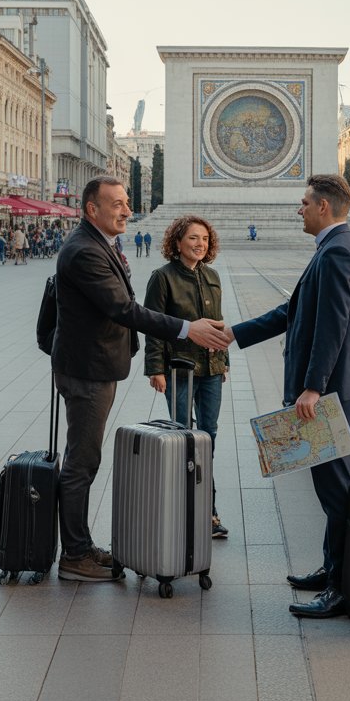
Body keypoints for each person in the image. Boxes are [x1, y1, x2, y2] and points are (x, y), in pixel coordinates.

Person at [51, 177, 228, 582]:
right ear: (91, 209)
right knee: (82, 463)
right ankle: (74, 556)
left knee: (85, 459)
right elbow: (123, 308)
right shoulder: (84, 251)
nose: (127, 210)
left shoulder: (97, 243)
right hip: (88, 370)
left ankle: (80, 547)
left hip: (93, 366)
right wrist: (187, 330)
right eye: (117, 203)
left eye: (127, 202)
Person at [225, 174, 350, 619]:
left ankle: (343, 588)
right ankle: (332, 571)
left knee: (337, 491)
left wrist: (313, 387)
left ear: (324, 207)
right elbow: (294, 311)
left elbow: (331, 326)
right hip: (334, 387)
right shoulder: (333, 249)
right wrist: (234, 333)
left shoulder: (338, 253)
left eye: (304, 202)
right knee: (330, 488)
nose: (299, 209)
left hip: (331, 391)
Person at [143, 215, 230, 538]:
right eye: (193, 238)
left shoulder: (212, 276)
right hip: (178, 369)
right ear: (177, 242)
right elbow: (152, 325)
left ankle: (208, 510)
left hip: (211, 369)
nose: (199, 244)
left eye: (205, 239)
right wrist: (155, 368)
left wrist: (225, 359)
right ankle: (188, 509)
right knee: (183, 436)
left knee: (208, 437)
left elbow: (218, 322)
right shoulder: (162, 278)